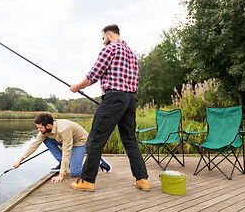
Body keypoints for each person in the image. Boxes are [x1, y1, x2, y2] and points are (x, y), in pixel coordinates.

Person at [70, 24, 150, 192]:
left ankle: (87, 180)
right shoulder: (132, 55)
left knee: (95, 140)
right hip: (130, 99)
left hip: (114, 97)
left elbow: (93, 75)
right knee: (130, 141)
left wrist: (77, 87)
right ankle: (143, 179)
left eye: (103, 38)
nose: (103, 42)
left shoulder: (111, 49)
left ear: (109, 34)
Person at [13, 113, 112, 183]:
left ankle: (97, 164)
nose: (38, 130)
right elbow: (34, 145)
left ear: (48, 125)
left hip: (79, 142)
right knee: (45, 139)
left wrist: (61, 174)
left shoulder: (64, 129)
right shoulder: (45, 131)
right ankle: (62, 163)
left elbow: (67, 151)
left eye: (40, 128)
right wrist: (20, 160)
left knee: (75, 172)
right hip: (63, 140)